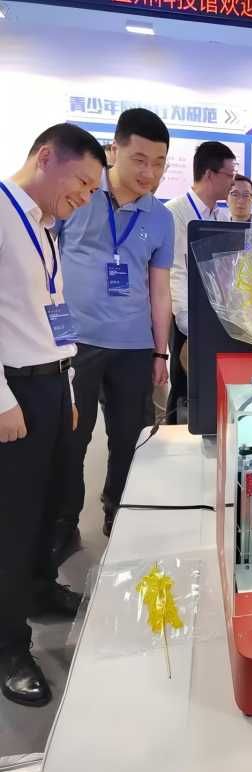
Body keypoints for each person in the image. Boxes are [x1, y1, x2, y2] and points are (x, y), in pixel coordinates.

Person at [0, 123, 105, 707]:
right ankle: (8, 645)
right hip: (14, 392)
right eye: (81, 182)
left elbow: (53, 308)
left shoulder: (43, 225)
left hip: (52, 385)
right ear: (46, 157)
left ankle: (39, 590)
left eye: (92, 189)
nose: (84, 196)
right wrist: (1, 400)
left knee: (49, 507)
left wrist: (66, 386)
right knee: (11, 522)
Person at [54, 108, 174, 547]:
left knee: (130, 438)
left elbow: (159, 290)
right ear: (114, 151)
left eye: (159, 163)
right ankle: (63, 524)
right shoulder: (79, 195)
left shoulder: (160, 217)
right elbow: (49, 266)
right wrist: (55, 337)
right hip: (76, 343)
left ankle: (119, 513)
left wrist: (160, 351)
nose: (149, 173)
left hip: (134, 347)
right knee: (72, 438)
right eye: (139, 159)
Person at [165, 141, 237, 423]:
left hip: (218, 320)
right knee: (184, 388)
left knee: (212, 388)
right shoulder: (174, 213)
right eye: (229, 175)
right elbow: (174, 271)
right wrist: (188, 321)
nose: (232, 182)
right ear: (209, 174)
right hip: (187, 322)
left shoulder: (221, 216)